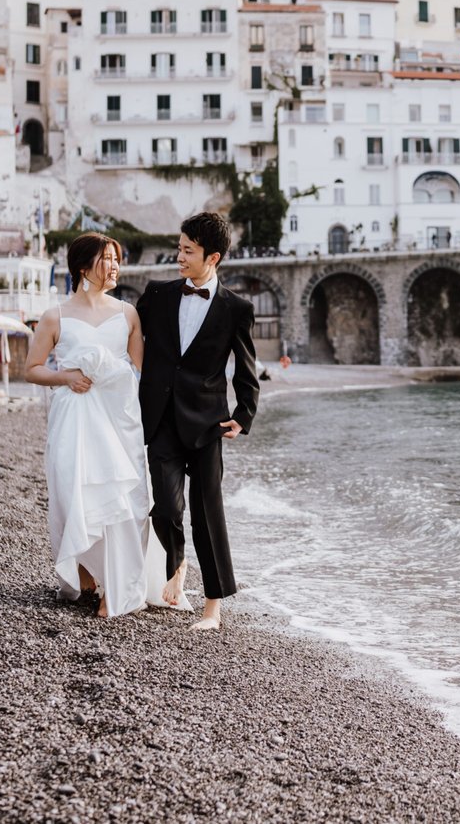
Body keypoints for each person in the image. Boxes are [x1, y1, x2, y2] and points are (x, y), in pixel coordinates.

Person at [24, 232, 174, 618]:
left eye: (116, 259)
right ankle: (86, 569)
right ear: (82, 265)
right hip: (73, 415)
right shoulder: (55, 315)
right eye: (107, 258)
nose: (114, 266)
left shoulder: (127, 314)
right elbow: (32, 369)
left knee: (122, 499)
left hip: (118, 417)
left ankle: (116, 585)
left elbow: (139, 371)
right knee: (72, 491)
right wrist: (68, 377)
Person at [137, 212, 260, 631]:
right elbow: (130, 341)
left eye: (188, 251)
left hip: (209, 424)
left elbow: (246, 367)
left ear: (214, 257)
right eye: (179, 248)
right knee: (166, 507)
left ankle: (212, 609)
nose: (179, 257)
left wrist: (244, 415)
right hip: (161, 419)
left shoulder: (236, 308)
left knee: (208, 515)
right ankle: (176, 561)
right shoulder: (156, 294)